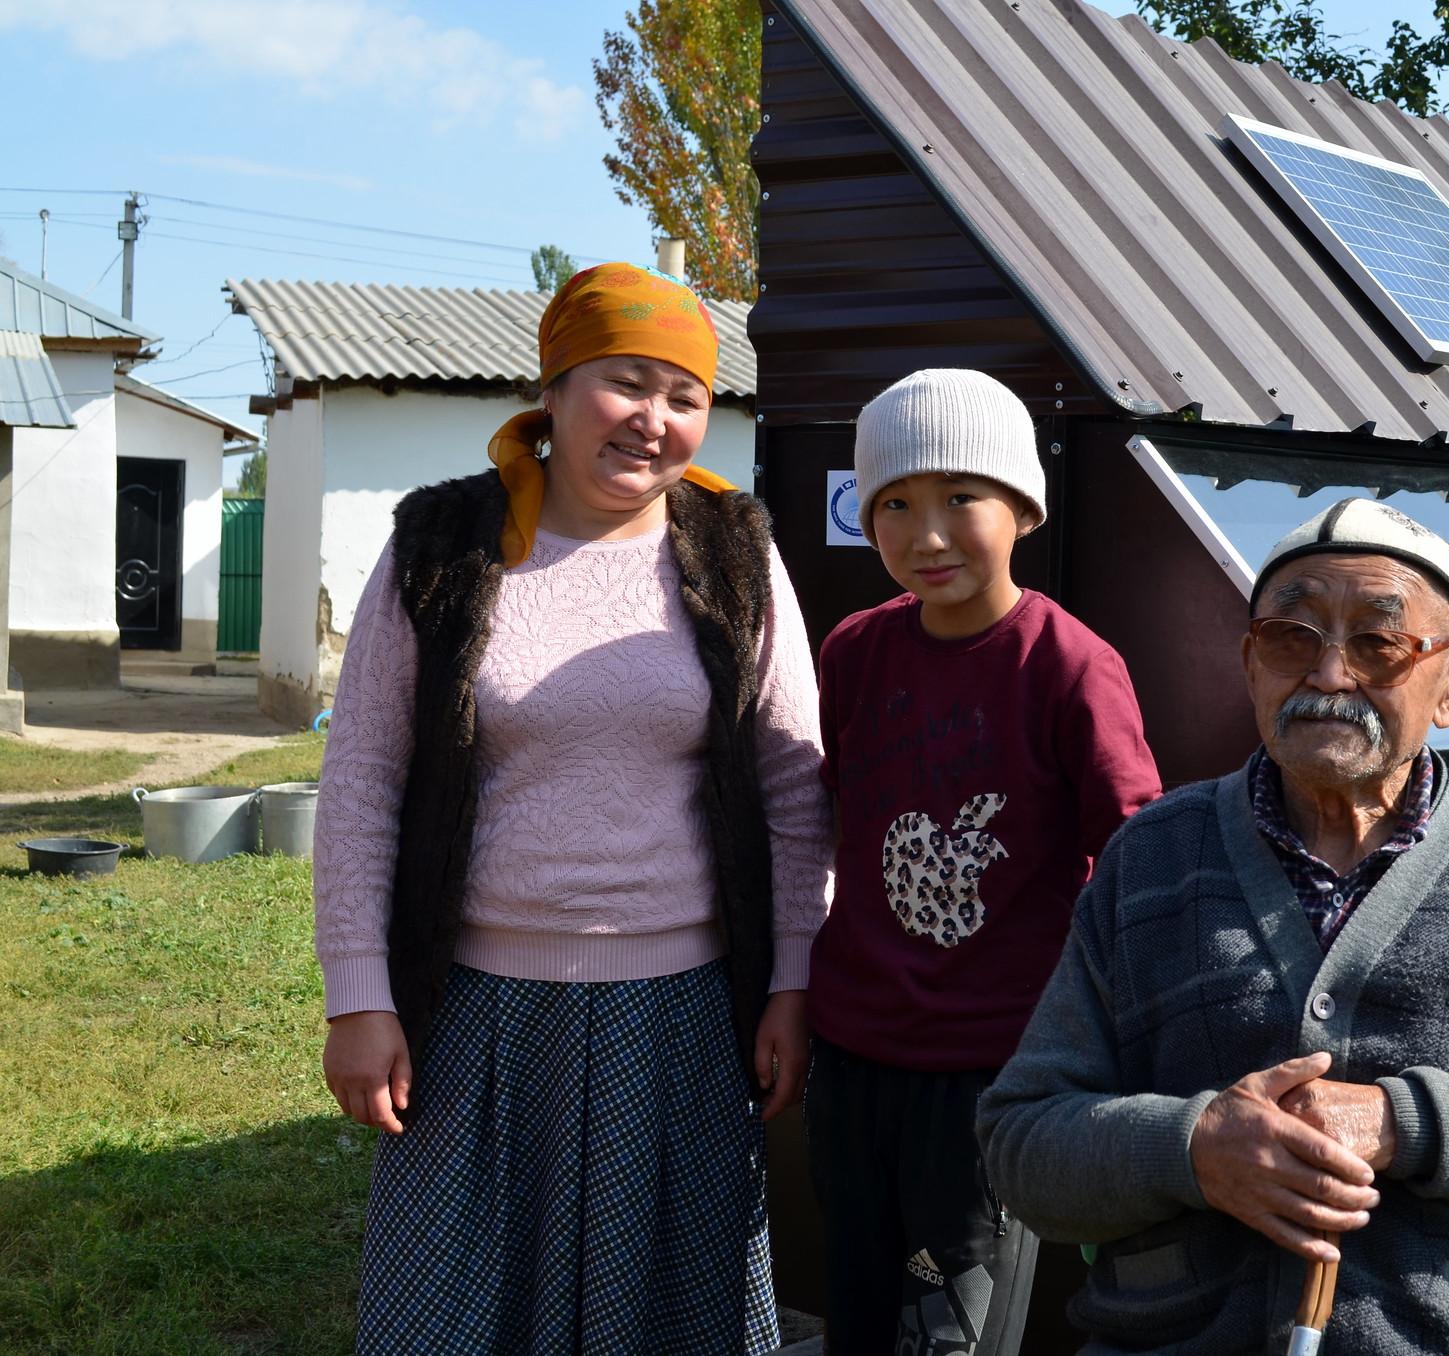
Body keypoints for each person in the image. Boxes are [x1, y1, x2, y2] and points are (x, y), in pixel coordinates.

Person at [977, 497, 1449, 1354]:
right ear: (1251, 662)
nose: (1328, 675)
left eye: (1378, 644)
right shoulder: (1151, 857)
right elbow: (1021, 1143)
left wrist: (1405, 1123)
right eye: (1292, 638)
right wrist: (1192, 1149)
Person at [314, 262, 832, 1355]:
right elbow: (364, 777)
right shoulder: (440, 546)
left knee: (664, 1319)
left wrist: (791, 979)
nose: (654, 421)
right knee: (453, 1314)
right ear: (550, 388)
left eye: (684, 396)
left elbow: (793, 784)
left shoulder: (735, 551)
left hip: (686, 1013)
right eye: (624, 383)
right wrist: (359, 996)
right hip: (473, 1010)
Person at [804, 368, 1162, 1354]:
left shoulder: (1069, 664)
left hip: (991, 1065)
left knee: (958, 1323)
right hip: (851, 1049)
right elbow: (824, 817)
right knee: (855, 1307)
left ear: (1020, 507)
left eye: (960, 496)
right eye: (893, 505)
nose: (925, 534)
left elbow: (1136, 855)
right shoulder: (851, 652)